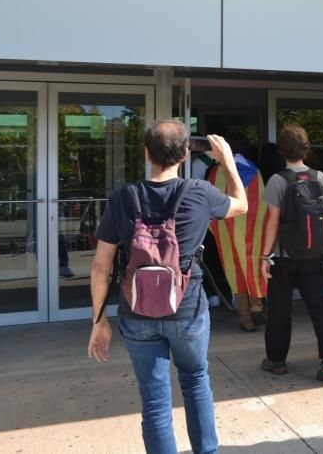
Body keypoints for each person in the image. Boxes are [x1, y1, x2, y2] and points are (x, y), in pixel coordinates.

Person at [88, 122, 249, 454]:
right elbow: (241, 204)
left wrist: (99, 322)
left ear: (147, 154)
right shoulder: (200, 193)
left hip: (137, 312)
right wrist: (228, 162)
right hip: (186, 309)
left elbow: (101, 266)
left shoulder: (123, 197)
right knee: (195, 381)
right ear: (185, 153)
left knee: (155, 401)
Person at [258, 124, 323, 380]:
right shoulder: (320, 178)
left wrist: (264, 255)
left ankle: (277, 360)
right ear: (307, 148)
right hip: (313, 252)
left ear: (282, 150)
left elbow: (273, 221)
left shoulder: (278, 180)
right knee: (318, 305)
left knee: (280, 308)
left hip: (285, 255)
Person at [205, 133, 269, 332]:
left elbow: (210, 203)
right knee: (254, 264)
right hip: (252, 229)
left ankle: (246, 319)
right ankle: (257, 304)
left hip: (227, 229)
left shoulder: (215, 172)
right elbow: (262, 202)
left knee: (235, 271)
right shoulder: (253, 169)